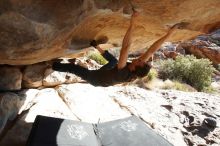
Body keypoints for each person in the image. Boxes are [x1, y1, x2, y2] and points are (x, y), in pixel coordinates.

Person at [52, 11, 186, 87]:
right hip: (108, 72)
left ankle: (52, 65)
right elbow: (151, 50)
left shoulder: (123, 73)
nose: (140, 59)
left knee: (74, 69)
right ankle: (96, 46)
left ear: (134, 68)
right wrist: (169, 34)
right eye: (142, 60)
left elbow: (125, 48)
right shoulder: (137, 68)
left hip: (96, 79)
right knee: (113, 61)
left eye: (140, 61)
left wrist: (133, 22)